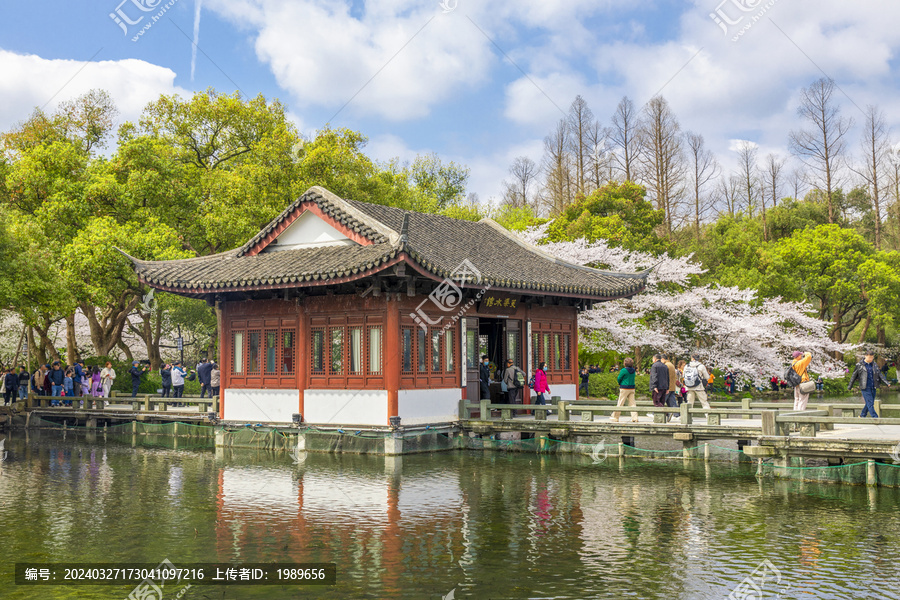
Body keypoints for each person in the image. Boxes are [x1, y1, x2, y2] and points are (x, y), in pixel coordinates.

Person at [848, 349, 890, 418]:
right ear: (865, 356)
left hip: (873, 386)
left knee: (870, 403)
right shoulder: (859, 365)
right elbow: (853, 376)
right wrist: (850, 386)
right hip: (865, 387)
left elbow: (880, 375)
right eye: (870, 357)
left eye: (872, 357)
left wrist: (886, 383)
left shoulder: (874, 364)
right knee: (870, 403)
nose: (871, 359)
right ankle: (875, 417)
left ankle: (862, 415)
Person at [612, 357, 639, 423]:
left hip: (624, 388)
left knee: (620, 402)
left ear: (625, 363)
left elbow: (619, 378)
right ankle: (635, 418)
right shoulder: (633, 370)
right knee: (632, 403)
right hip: (632, 388)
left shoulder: (623, 370)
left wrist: (619, 383)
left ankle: (615, 417)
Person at [662, 354, 678, 422]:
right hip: (672, 386)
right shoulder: (671, 365)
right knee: (672, 402)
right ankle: (676, 414)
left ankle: (655, 412)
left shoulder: (666, 365)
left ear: (663, 359)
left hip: (667, 386)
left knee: (661, 400)